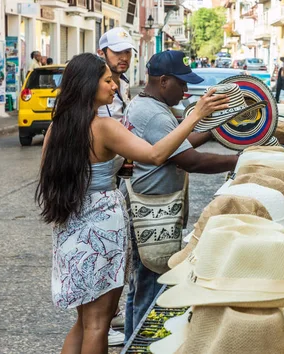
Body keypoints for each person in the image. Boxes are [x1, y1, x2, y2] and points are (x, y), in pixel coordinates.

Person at [36, 52, 228, 354]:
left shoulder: (56, 129)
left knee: (83, 322)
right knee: (99, 323)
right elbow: (156, 155)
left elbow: (64, 173)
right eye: (108, 80)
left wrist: (111, 169)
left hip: (70, 226)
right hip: (103, 227)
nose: (115, 86)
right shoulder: (104, 126)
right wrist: (194, 117)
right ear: (88, 84)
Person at [122, 50, 239, 342]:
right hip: (152, 212)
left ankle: (130, 342)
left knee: (141, 285)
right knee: (151, 287)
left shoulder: (150, 106)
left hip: (153, 208)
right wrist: (240, 160)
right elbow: (189, 160)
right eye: (181, 84)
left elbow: (180, 142)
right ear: (163, 81)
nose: (186, 91)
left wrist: (214, 128)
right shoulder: (152, 113)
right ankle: (141, 344)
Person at [96, 26, 137, 344]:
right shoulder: (95, 92)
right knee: (102, 260)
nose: (124, 58)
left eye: (127, 52)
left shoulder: (119, 86)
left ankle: (108, 315)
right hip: (98, 190)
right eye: (117, 52)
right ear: (102, 54)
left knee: (117, 259)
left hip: (116, 180)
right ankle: (101, 324)